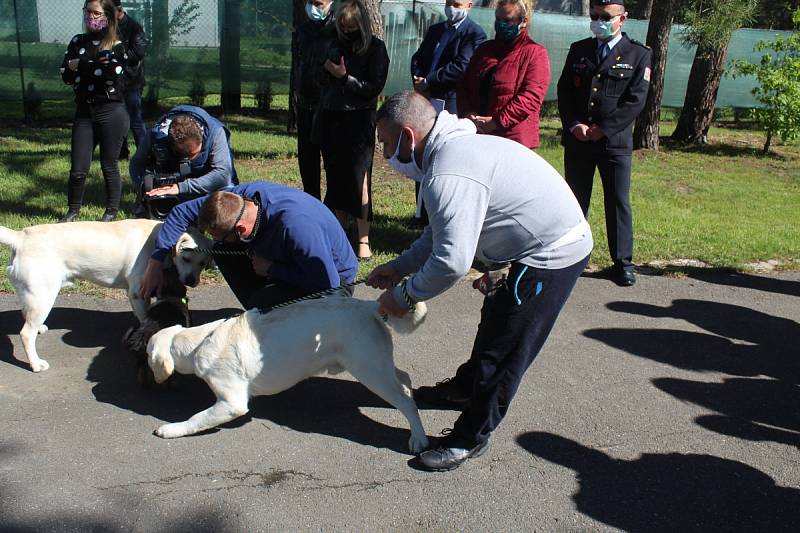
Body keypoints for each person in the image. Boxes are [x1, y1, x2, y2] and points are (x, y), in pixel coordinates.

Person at [368, 91, 593, 472]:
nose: (386, 155)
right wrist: (401, 267)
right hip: (526, 247)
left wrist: (403, 296)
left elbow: (451, 262)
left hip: (550, 254)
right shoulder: (448, 152)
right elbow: (441, 233)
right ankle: (464, 390)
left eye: (387, 144)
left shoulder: (448, 171)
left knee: (504, 350)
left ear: (408, 137)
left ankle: (469, 439)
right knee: (494, 327)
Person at [138, 181, 358, 310]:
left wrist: (272, 269)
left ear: (241, 230)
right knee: (223, 251)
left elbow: (327, 284)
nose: (216, 239)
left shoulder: (297, 227)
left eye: (221, 235)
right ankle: (261, 309)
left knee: (263, 304)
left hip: (334, 285)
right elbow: (180, 212)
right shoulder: (235, 200)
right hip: (282, 259)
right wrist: (155, 263)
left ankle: (270, 317)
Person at [557, 0, 651, 287]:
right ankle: (568, 259)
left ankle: (622, 263)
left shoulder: (638, 54)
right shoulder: (579, 49)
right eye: (595, 15)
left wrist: (603, 130)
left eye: (605, 16)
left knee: (617, 201)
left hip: (614, 143)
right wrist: (574, 124)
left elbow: (635, 100)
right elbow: (564, 90)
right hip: (579, 141)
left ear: (622, 19)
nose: (598, 20)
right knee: (574, 201)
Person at [315, 0, 390, 261]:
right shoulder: (332, 43)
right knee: (335, 181)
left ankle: (363, 239)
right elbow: (318, 79)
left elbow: (373, 87)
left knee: (360, 181)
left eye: (352, 26)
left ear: (363, 25)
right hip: (333, 118)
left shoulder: (376, 49)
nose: (347, 31)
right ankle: (337, 238)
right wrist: (328, 73)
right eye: (343, 26)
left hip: (359, 121)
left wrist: (344, 77)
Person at [409, 0, 486, 227]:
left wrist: (430, 80)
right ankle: (420, 213)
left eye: (457, 3)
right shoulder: (436, 30)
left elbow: (461, 66)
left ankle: (438, 215)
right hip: (426, 100)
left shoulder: (474, 35)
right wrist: (418, 78)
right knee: (422, 152)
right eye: (449, 2)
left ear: (469, 5)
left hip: (451, 103)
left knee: (444, 157)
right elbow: (418, 57)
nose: (451, 7)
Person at [59, 0, 129, 223]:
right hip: (84, 111)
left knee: (109, 164)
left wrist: (79, 65)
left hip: (111, 111)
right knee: (78, 168)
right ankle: (72, 211)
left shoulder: (116, 44)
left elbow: (111, 73)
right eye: (88, 12)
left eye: (96, 13)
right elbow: (66, 74)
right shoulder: (77, 41)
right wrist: (92, 65)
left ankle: (111, 211)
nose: (91, 16)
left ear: (108, 16)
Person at [456, 0, 550, 149]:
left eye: (507, 20)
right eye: (498, 19)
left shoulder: (535, 53)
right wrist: (468, 113)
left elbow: (531, 97)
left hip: (513, 139)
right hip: (477, 135)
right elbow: (464, 85)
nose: (500, 24)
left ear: (523, 21)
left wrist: (496, 122)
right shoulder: (484, 50)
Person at [129, 105, 238, 218]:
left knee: (228, 201)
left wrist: (181, 187)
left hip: (209, 183)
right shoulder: (156, 135)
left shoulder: (215, 133)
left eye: (194, 154)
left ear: (201, 136)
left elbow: (223, 176)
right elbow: (136, 163)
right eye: (185, 155)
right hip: (174, 186)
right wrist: (145, 187)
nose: (190, 159)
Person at [294, 0, 336, 201]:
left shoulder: (339, 29)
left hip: (329, 106)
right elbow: (298, 65)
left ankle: (332, 208)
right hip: (305, 104)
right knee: (307, 160)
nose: (313, 8)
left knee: (332, 161)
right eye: (310, 3)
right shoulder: (303, 30)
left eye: (318, 4)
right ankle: (311, 203)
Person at [113, 0, 147, 160]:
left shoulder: (134, 27)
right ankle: (121, 153)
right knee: (119, 118)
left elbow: (139, 53)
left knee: (135, 119)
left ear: (118, 10)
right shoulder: (110, 27)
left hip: (132, 80)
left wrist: (121, 53)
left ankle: (144, 152)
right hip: (115, 80)